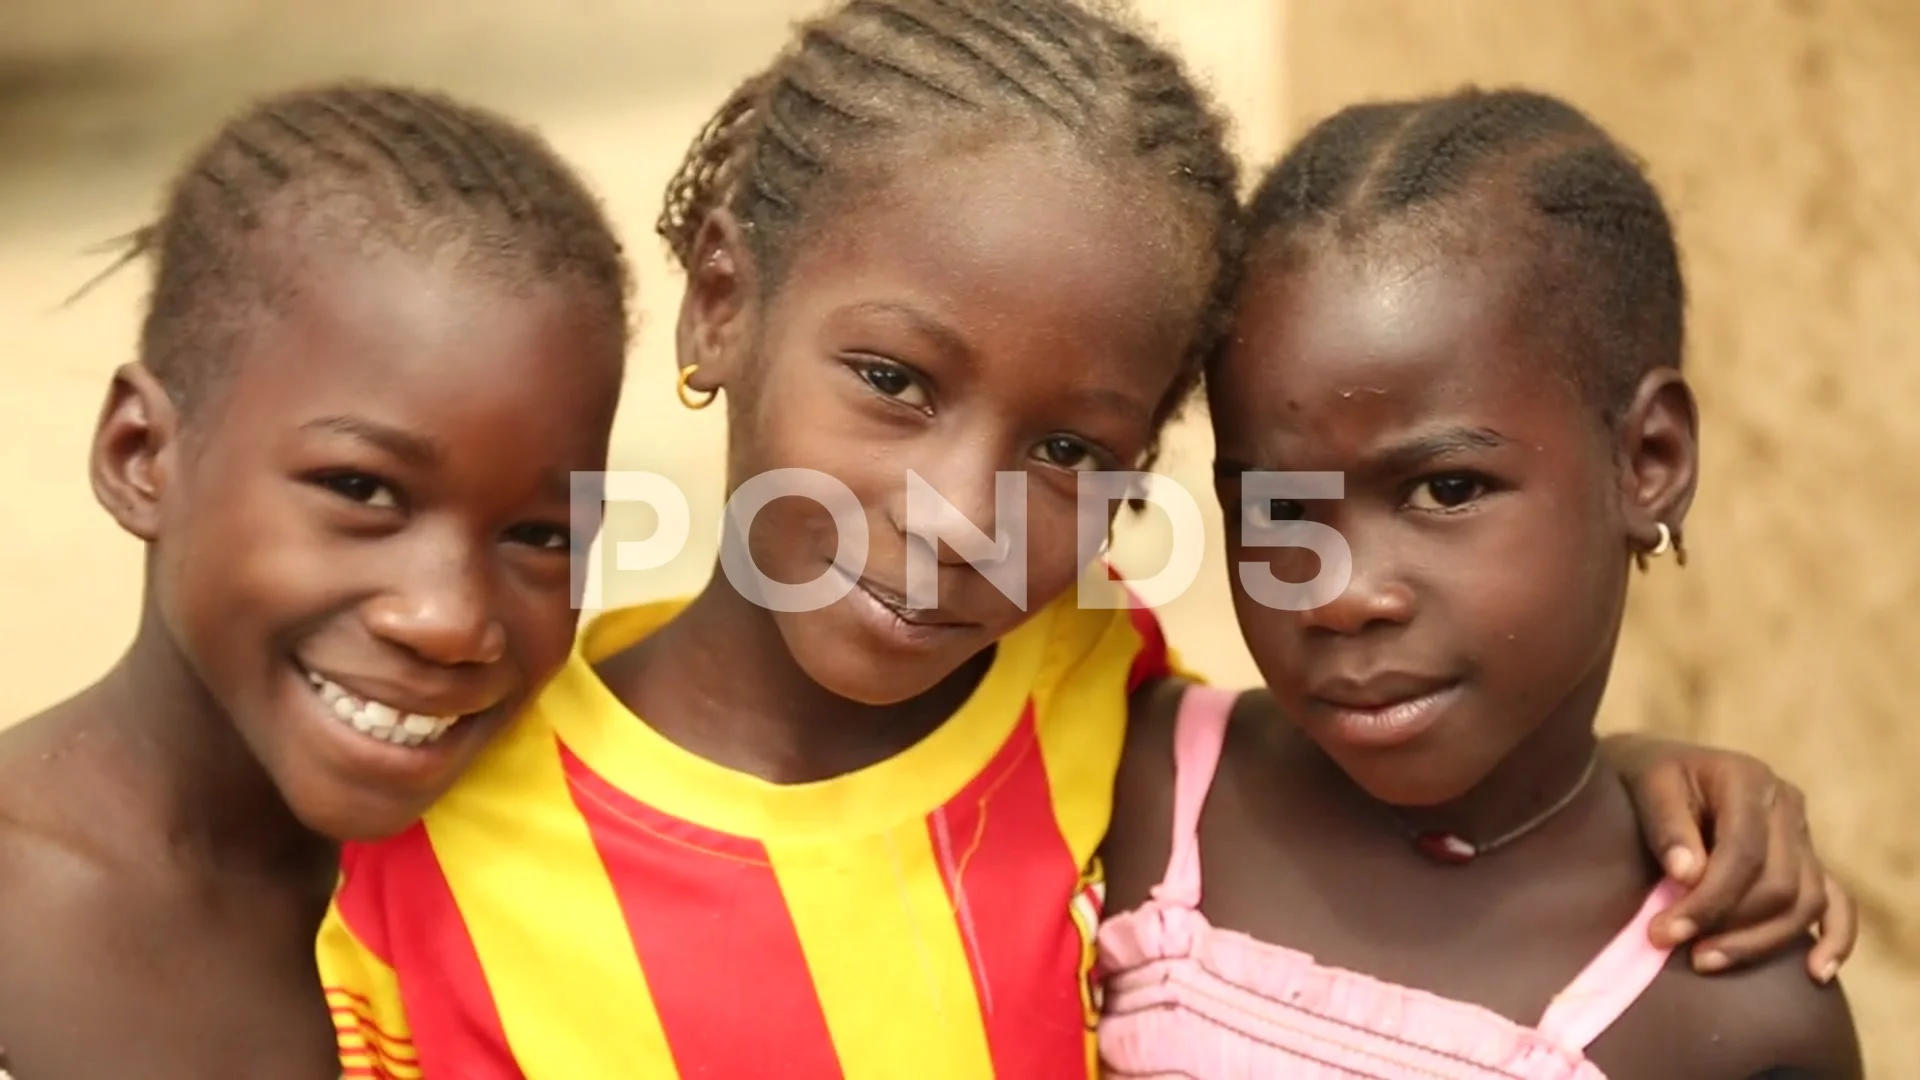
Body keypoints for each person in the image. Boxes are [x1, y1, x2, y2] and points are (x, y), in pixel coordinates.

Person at [317, 8, 1854, 1078]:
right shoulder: (432, 807)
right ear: (723, 302)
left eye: (1071, 452)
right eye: (893, 383)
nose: (956, 513)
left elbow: (1387, 786)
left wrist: (1654, 781)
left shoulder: (1090, 707)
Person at [1097, 86, 1863, 1078]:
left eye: (1444, 489)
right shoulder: (1135, 791)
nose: (1340, 595)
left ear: (1652, 461)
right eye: (1278, 511)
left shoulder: (1733, 1000)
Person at [0, 81, 631, 1078]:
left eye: (541, 536)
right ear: (140, 456)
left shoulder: (571, 899)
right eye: (361, 489)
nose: (451, 618)